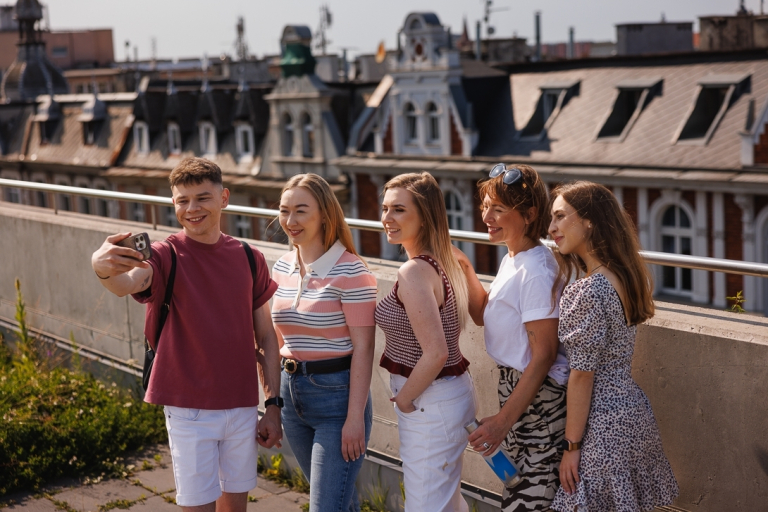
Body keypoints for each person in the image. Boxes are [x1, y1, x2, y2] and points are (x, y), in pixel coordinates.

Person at [90, 157, 282, 512]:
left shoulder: (249, 256)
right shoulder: (165, 254)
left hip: (241, 406)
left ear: (224, 198)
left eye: (202, 198)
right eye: (182, 200)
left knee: (235, 509)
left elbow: (267, 337)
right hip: (189, 409)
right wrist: (102, 269)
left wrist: (272, 406)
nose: (191, 209)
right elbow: (129, 282)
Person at [548, 181, 679, 512]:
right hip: (633, 415)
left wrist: (572, 446)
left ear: (589, 221)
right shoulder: (623, 276)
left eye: (561, 217)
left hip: (601, 429)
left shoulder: (587, 291)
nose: (551, 228)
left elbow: (582, 376)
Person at [453, 163, 569, 512]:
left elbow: (544, 354)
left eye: (499, 209)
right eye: (485, 205)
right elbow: (482, 314)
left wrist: (503, 422)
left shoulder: (536, 270)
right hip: (518, 392)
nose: (486, 215)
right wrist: (461, 264)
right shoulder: (514, 258)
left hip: (539, 398)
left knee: (531, 500)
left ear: (530, 214)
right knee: (520, 490)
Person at [271, 173, 377, 512]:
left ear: (325, 215)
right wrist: (271, 402)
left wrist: (354, 418)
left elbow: (364, 348)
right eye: (284, 210)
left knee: (326, 507)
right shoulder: (281, 267)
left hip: (337, 401)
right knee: (340, 503)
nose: (290, 221)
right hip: (291, 397)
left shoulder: (352, 271)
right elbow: (275, 340)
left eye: (301, 211)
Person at [375, 172, 475, 512]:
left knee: (425, 505)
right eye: (385, 208)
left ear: (425, 216)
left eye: (399, 210)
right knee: (445, 501)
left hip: (428, 402)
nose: (387, 218)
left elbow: (435, 352)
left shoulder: (414, 272)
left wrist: (403, 400)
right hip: (449, 396)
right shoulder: (449, 258)